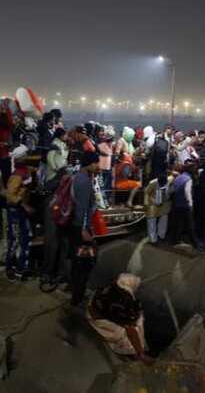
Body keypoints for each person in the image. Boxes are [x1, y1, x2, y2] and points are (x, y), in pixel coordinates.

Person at [86, 273, 154, 365]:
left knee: (135, 321)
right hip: (99, 321)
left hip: (91, 313)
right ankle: (132, 352)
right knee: (132, 329)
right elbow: (130, 329)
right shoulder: (125, 301)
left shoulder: (110, 286)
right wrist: (141, 354)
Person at [68, 151, 99, 306]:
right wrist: (84, 229)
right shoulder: (85, 181)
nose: (98, 166)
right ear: (90, 163)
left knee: (76, 260)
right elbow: (83, 207)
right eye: (96, 163)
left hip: (73, 224)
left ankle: (73, 289)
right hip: (81, 226)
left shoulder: (76, 176)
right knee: (85, 262)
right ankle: (78, 297)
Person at [4, 164, 34, 280]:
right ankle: (10, 267)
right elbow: (10, 195)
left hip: (21, 210)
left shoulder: (25, 172)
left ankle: (20, 268)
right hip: (15, 210)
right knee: (15, 240)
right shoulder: (17, 175)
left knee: (25, 239)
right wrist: (24, 205)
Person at [169, 162, 204, 250]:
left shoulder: (178, 177)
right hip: (185, 205)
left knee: (178, 224)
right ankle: (196, 244)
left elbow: (171, 190)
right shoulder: (188, 179)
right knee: (190, 226)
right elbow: (187, 192)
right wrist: (190, 205)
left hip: (177, 204)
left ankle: (175, 241)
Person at [143, 173, 174, 245]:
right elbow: (146, 192)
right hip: (153, 204)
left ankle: (161, 236)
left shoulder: (170, 180)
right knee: (151, 221)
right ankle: (153, 239)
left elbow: (173, 176)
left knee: (164, 220)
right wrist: (146, 204)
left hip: (165, 204)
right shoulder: (153, 183)